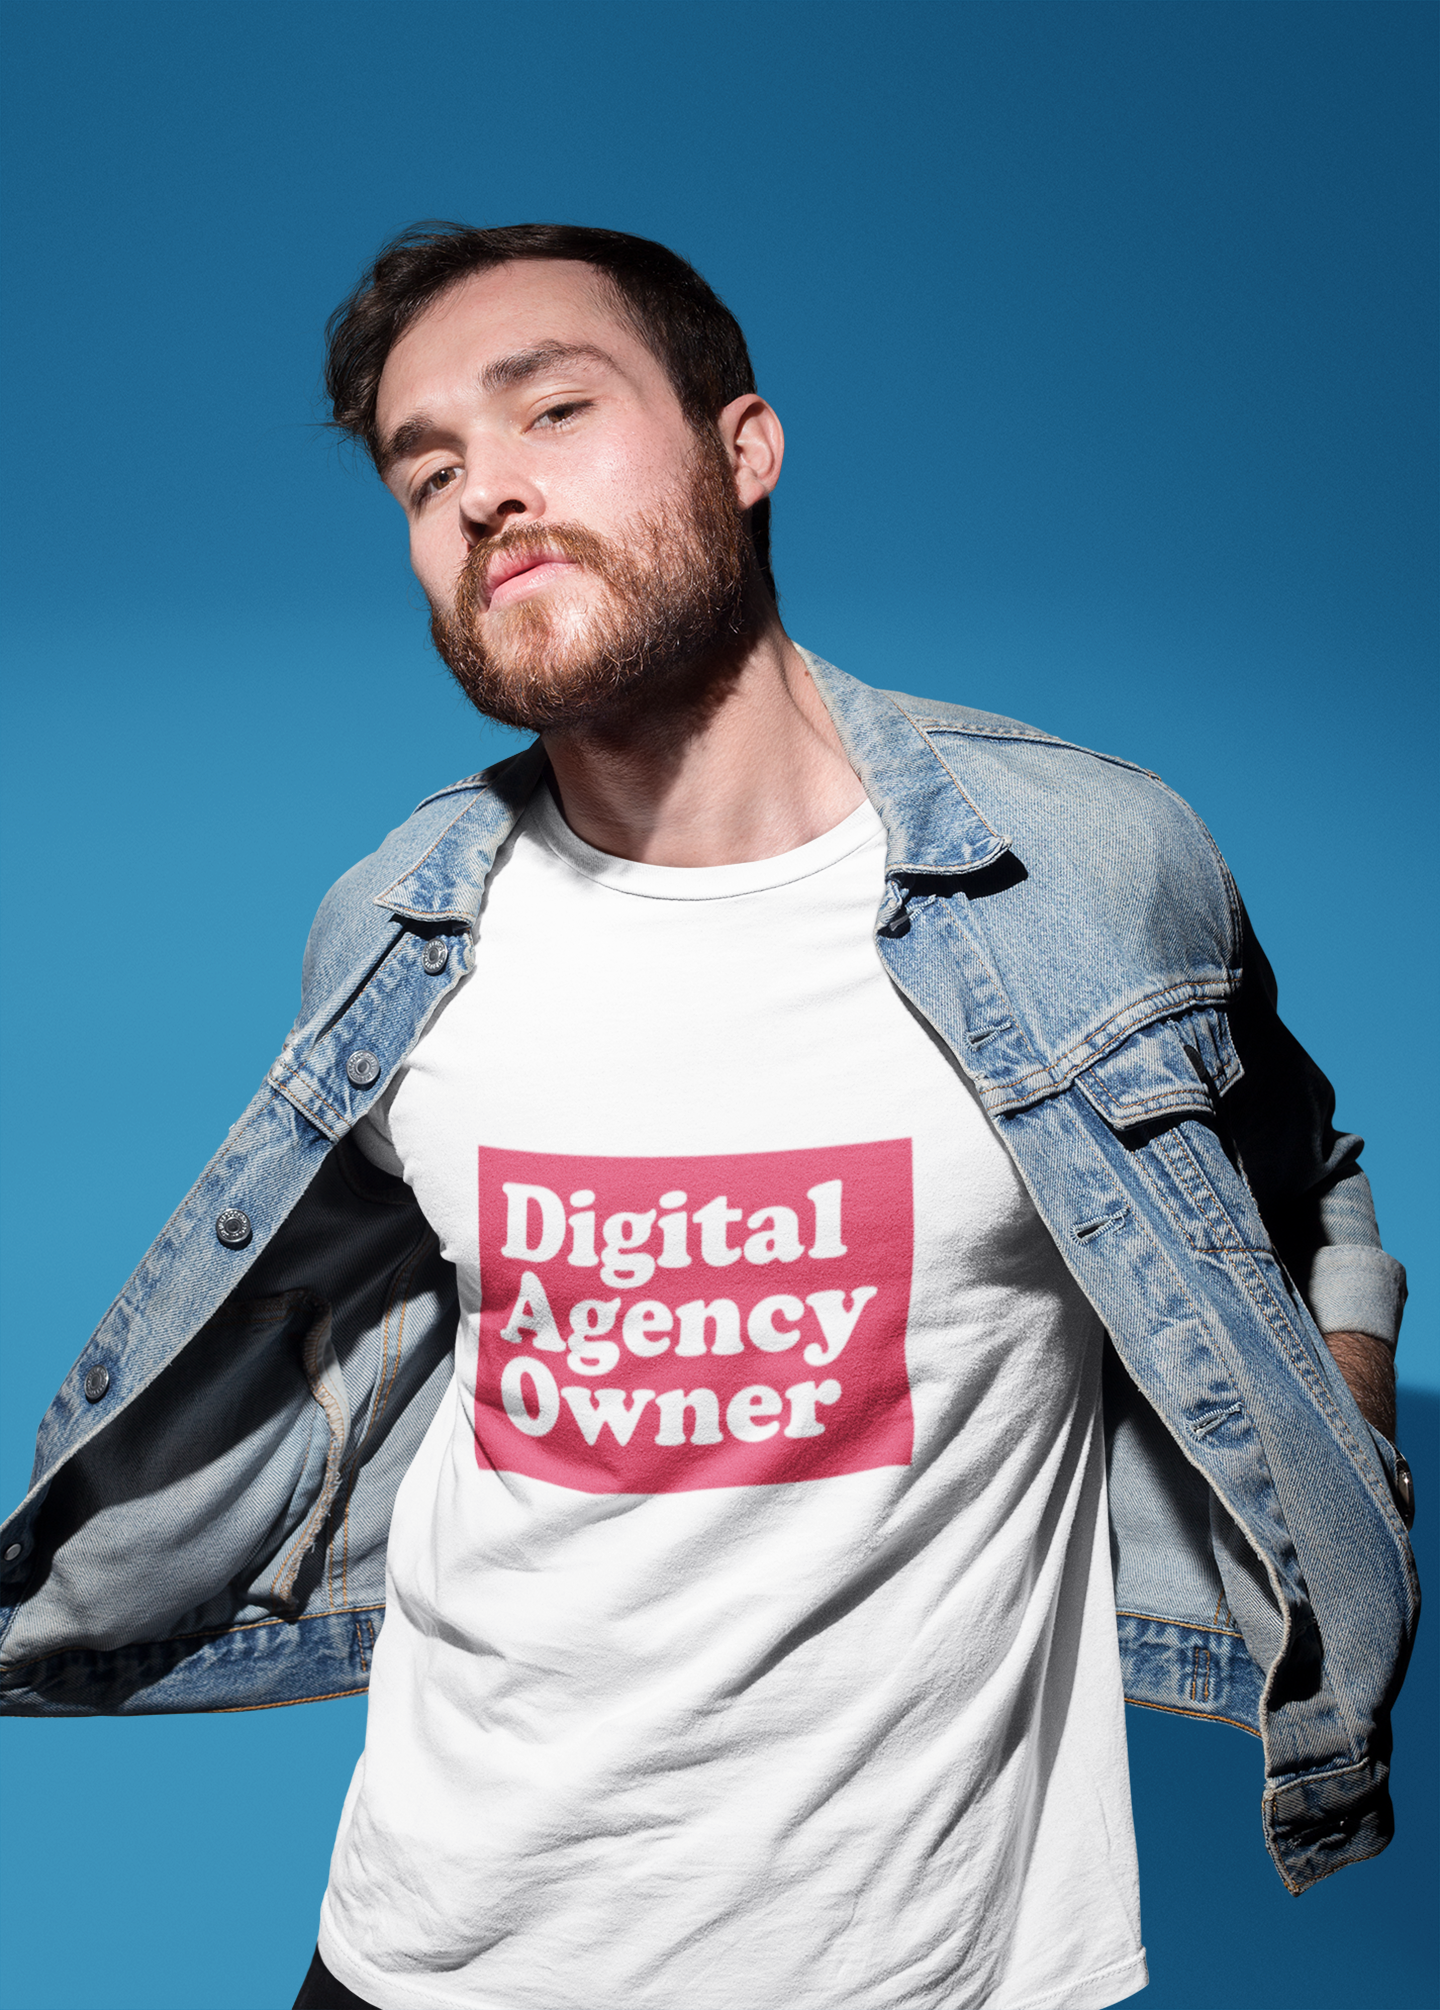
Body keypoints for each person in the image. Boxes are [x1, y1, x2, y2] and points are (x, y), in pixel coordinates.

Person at [0, 223, 1417, 2010]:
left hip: (940, 1969)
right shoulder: (401, 929)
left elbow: (1298, 1179)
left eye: (552, 412)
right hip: (427, 1951)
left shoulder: (1084, 870)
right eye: (426, 472)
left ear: (745, 449)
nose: (483, 494)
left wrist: (1343, 1425)